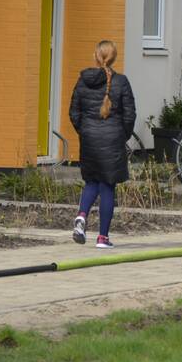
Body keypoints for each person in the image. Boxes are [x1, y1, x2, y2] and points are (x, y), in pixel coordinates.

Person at [69, 40, 136, 248]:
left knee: (91, 181)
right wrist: (121, 135)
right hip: (113, 138)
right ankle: (102, 238)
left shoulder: (82, 81)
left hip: (89, 139)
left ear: (95, 56)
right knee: (107, 185)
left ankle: (81, 215)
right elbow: (129, 114)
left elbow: (74, 112)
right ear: (114, 58)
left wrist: (85, 131)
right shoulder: (121, 82)